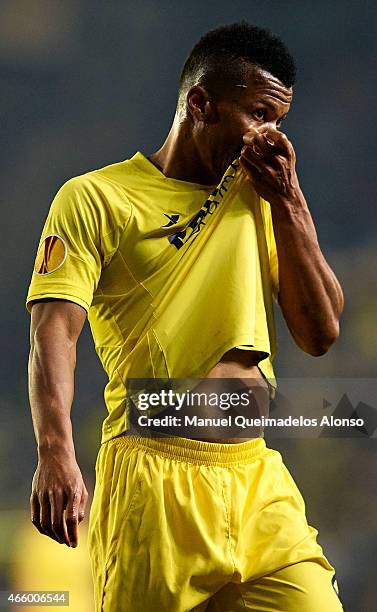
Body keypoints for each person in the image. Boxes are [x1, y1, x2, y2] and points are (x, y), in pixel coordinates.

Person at [26, 22, 345, 611]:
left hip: (255, 477)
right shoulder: (96, 198)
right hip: (154, 475)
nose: (270, 135)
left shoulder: (261, 195)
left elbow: (321, 333)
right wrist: (55, 452)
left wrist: (290, 200)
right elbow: (54, 331)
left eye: (279, 120)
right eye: (257, 113)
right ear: (200, 103)